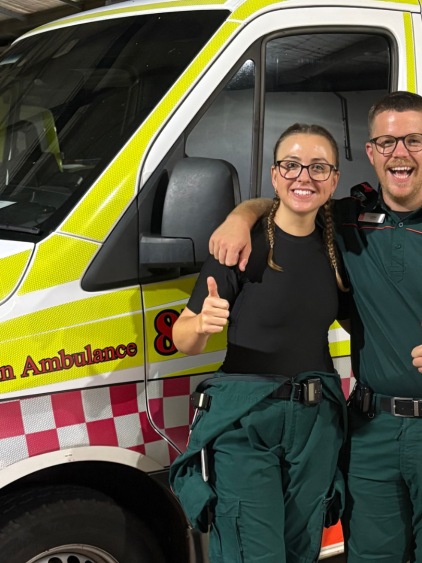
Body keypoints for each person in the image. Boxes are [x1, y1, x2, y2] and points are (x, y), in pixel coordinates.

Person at [207, 92, 422, 563]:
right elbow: (294, 197)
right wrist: (242, 216)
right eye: (386, 141)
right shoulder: (347, 218)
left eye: (413, 140)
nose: (399, 152)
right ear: (371, 152)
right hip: (371, 431)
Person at [168, 123, 350, 563]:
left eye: (318, 167)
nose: (303, 177)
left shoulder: (341, 243)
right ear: (274, 174)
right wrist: (202, 325)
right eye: (291, 165)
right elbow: (183, 338)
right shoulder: (240, 244)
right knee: (252, 553)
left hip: (316, 422)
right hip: (246, 420)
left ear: (334, 179)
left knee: (301, 548)